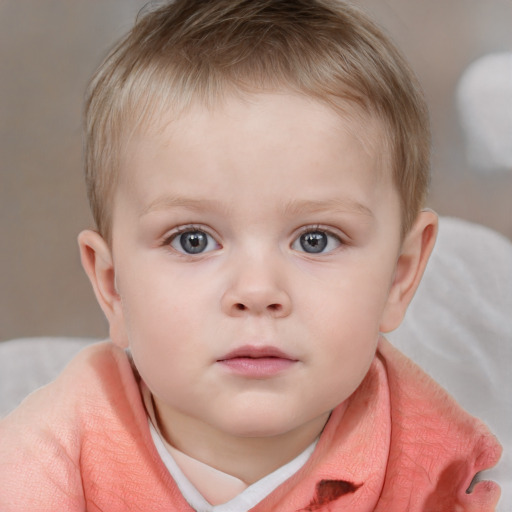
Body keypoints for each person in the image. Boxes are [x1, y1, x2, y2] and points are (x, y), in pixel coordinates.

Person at [0, 1, 502, 510]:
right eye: (192, 240)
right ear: (113, 286)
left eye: (315, 240)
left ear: (400, 274)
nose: (257, 291)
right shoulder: (49, 453)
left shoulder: (429, 464)